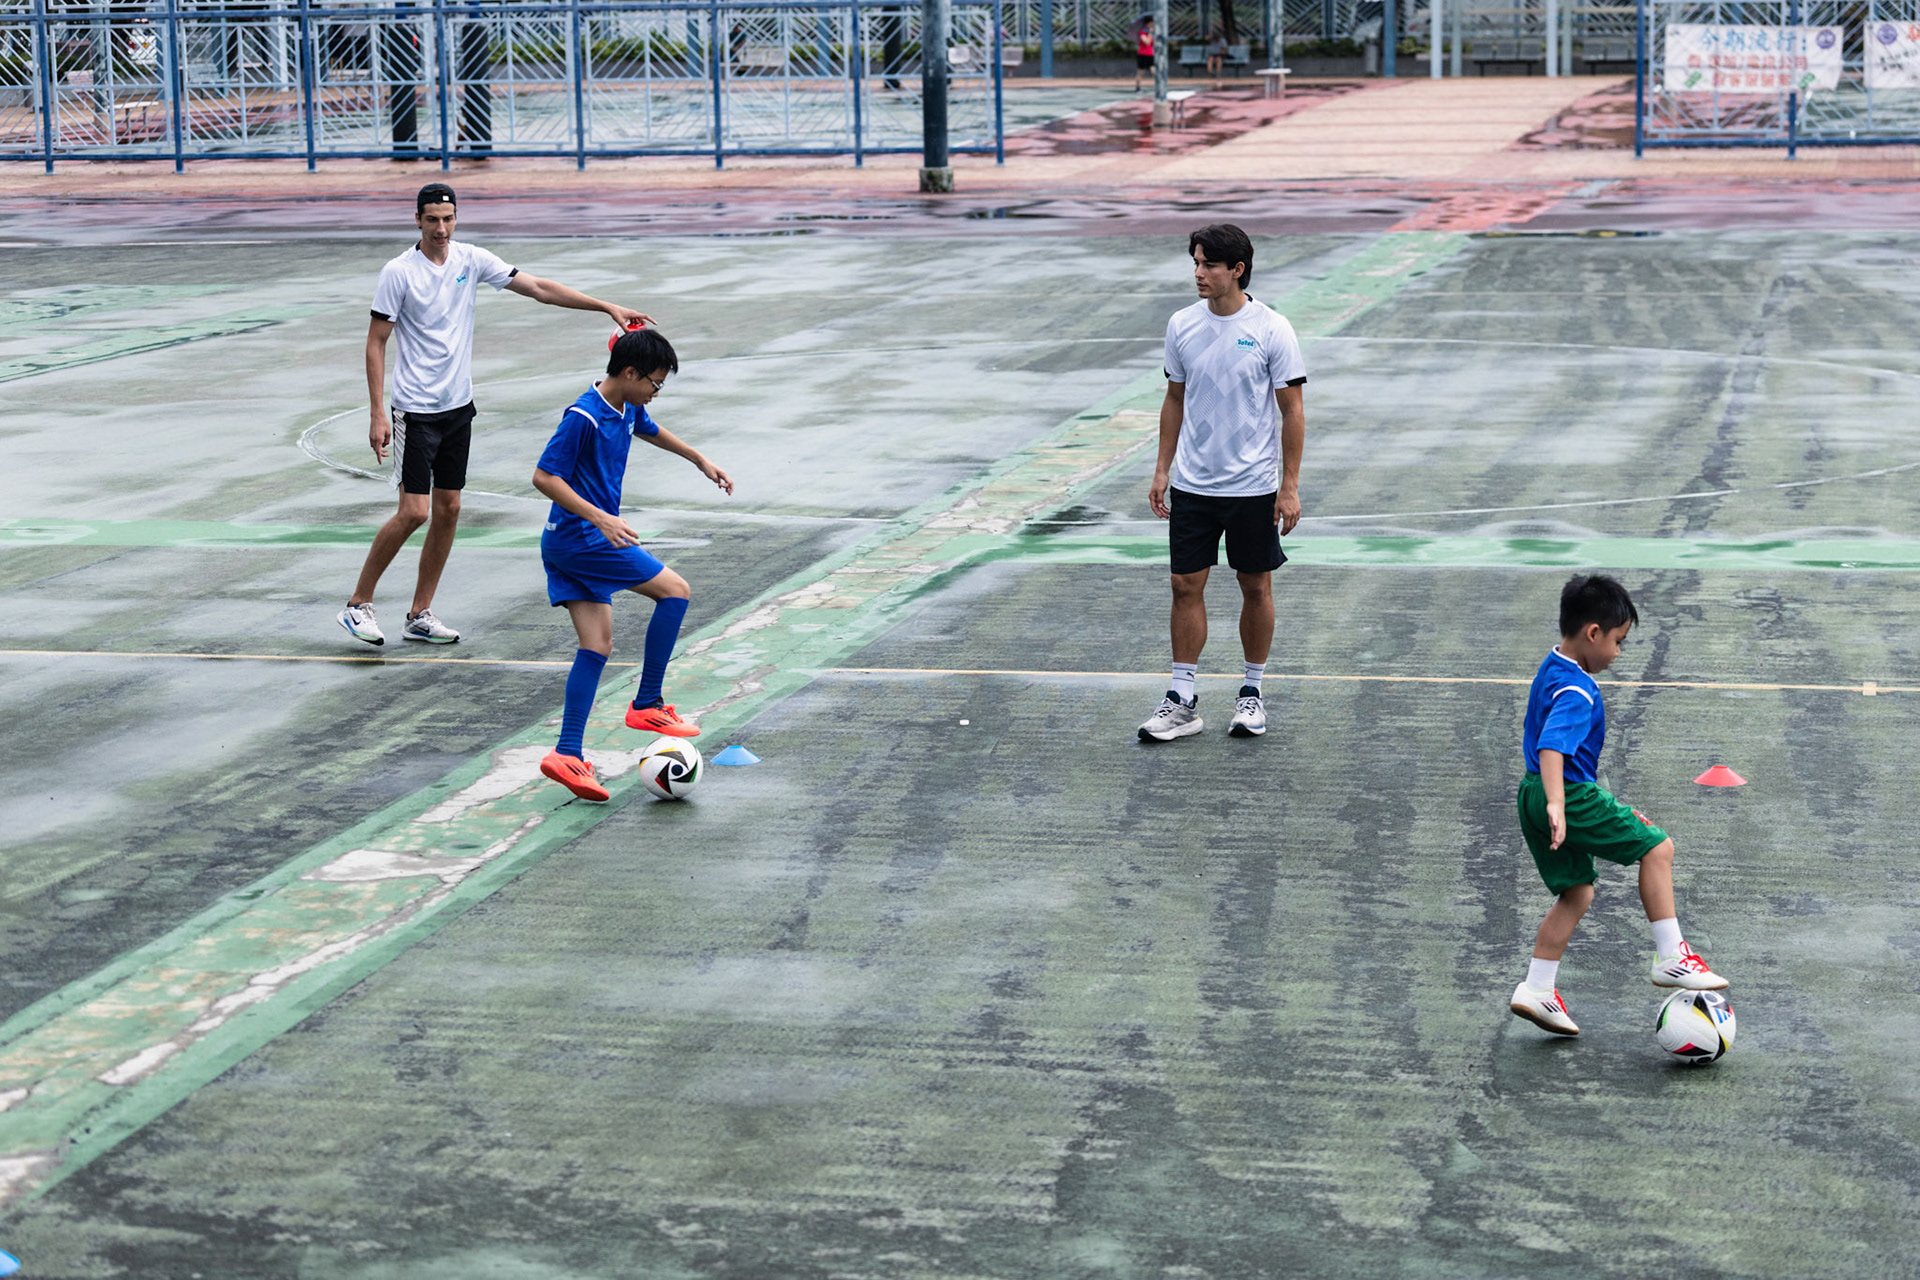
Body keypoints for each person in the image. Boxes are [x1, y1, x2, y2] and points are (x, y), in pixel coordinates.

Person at [337, 182, 649, 648]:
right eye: (431, 220)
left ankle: (419, 614)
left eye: (447, 219)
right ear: (417, 221)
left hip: (457, 407)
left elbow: (540, 288)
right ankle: (358, 604)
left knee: (449, 509)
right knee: (414, 512)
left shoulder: (471, 260)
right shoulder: (398, 273)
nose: (441, 229)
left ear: (456, 218)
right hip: (414, 411)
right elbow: (376, 342)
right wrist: (378, 413)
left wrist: (604, 305)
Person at [1508, 574, 1730, 1037]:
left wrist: (1545, 798)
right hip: (1567, 794)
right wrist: (1558, 803)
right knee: (1658, 847)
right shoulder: (1577, 690)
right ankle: (1671, 955)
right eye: (1617, 641)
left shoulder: (1552, 667)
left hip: (1530, 792)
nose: (1618, 653)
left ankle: (1537, 988)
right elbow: (1553, 746)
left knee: (1578, 892)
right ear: (1593, 633)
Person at [533, 328, 733, 803]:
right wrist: (601, 517)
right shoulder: (583, 416)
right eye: (654, 383)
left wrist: (699, 459)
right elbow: (543, 476)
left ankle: (566, 753)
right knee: (675, 591)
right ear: (628, 373)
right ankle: (647, 703)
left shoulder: (626, 406)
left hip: (566, 542)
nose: (655, 392)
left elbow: (648, 427)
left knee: (596, 647)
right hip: (585, 538)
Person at [1140, 223, 1305, 743]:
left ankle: (1251, 693)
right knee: (1183, 585)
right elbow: (1174, 398)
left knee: (1254, 585)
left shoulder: (1273, 328)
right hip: (1193, 484)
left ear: (1237, 270)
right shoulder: (1181, 325)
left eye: (1208, 264)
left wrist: (1290, 485)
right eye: (1195, 262)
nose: (1198, 274)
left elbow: (1292, 411)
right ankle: (1182, 699)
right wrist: (1163, 468)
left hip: (1253, 486)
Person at [1135, 15, 1155, 91]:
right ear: (1147, 23)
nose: (1152, 25)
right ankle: (1138, 87)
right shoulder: (1142, 32)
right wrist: (1149, 33)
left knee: (1154, 71)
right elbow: (1146, 42)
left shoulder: (1152, 34)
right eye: (1151, 23)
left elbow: (1152, 43)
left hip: (1150, 54)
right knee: (1141, 72)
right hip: (1143, 54)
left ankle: (1158, 86)